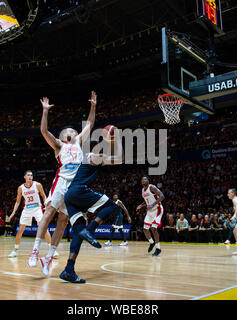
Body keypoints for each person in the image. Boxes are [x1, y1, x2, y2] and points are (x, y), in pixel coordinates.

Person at [28, 92, 97, 270]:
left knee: (63, 221)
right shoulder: (59, 145)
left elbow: (89, 124)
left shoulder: (79, 142)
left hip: (74, 187)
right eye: (69, 131)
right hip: (61, 182)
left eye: (74, 130)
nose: (73, 131)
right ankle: (35, 250)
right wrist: (45, 111)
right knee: (49, 212)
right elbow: (43, 131)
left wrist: (93, 106)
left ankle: (49, 257)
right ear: (63, 135)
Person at [60, 152, 123, 283]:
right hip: (79, 191)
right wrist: (114, 139)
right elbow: (119, 159)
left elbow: (118, 159)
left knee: (79, 233)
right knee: (113, 206)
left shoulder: (87, 160)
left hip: (70, 196)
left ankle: (68, 270)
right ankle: (91, 228)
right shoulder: (93, 156)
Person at [8, 171, 56, 258]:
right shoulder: (21, 188)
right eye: (28, 175)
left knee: (44, 228)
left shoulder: (37, 185)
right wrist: (13, 212)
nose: (30, 176)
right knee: (20, 230)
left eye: (31, 175)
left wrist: (46, 204)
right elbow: (18, 202)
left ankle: (52, 250)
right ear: (24, 177)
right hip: (27, 209)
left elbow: (44, 196)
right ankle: (15, 250)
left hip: (37, 208)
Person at [136, 176, 165, 256]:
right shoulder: (143, 190)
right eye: (142, 179)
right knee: (145, 229)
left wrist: (152, 204)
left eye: (145, 179)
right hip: (150, 211)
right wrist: (141, 205)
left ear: (148, 181)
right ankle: (151, 243)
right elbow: (147, 201)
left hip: (157, 209)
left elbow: (162, 196)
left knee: (153, 228)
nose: (143, 180)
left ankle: (158, 248)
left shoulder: (152, 187)